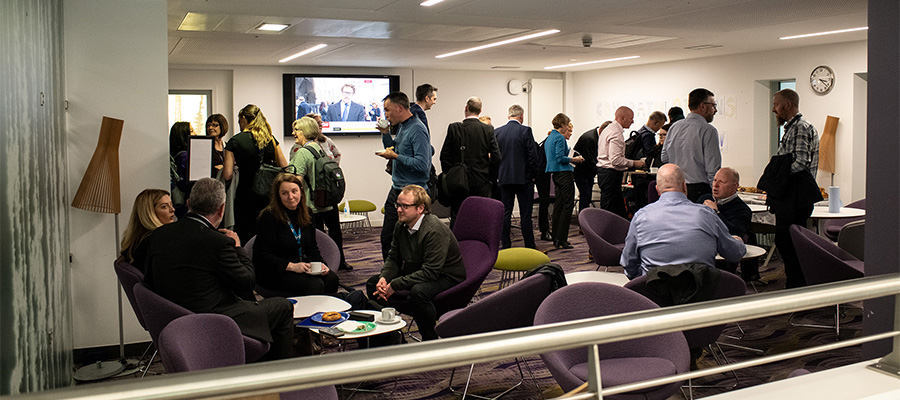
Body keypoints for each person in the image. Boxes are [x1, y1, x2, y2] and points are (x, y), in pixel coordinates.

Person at [144, 178, 294, 361]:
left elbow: (151, 279)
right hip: (214, 319)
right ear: (222, 209)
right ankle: (277, 374)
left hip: (175, 316)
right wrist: (238, 247)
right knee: (283, 306)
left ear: (189, 203)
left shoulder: (159, 234)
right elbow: (247, 280)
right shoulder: (218, 242)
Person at [366, 185, 465, 341]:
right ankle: (390, 337)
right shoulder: (401, 225)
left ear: (420, 208)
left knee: (418, 292)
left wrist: (395, 285)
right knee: (374, 284)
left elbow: (431, 272)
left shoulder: (434, 230)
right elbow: (394, 258)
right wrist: (384, 278)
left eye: (405, 206)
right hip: (418, 269)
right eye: (398, 204)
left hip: (446, 275)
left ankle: (430, 340)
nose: (399, 209)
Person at [620, 164, 745, 279]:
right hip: (701, 295)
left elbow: (628, 263)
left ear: (657, 190)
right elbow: (734, 254)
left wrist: (642, 281)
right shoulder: (707, 215)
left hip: (654, 294)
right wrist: (739, 242)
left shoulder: (641, 217)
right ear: (684, 186)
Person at [768, 88, 821, 288]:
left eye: (776, 104)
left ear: (788, 105)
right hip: (791, 196)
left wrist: (775, 175)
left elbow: (800, 162)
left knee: (789, 243)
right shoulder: (791, 127)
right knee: (785, 242)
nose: (774, 110)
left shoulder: (800, 127)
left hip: (795, 197)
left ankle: (797, 287)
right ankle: (795, 284)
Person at [254, 173, 339, 295]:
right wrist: (291, 266)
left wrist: (321, 264)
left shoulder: (307, 212)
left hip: (300, 266)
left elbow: (311, 246)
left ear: (301, 191)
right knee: (315, 284)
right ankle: (308, 314)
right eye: (284, 193)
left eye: (294, 191)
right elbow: (261, 255)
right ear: (278, 196)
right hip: (274, 270)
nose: (291, 196)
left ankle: (327, 314)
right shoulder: (269, 217)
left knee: (331, 279)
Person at [289, 116, 351, 271]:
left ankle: (321, 268)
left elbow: (295, 183)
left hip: (311, 205)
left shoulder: (302, 153)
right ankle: (336, 262)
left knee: (314, 241)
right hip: (327, 201)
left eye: (296, 130)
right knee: (332, 235)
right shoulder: (318, 147)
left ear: (305, 131)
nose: (293, 133)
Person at [375, 92, 432, 260]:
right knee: (388, 238)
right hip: (397, 190)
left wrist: (397, 157)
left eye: (387, 110)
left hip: (415, 194)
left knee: (412, 243)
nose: (385, 114)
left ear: (399, 108)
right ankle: (390, 275)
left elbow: (423, 166)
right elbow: (392, 149)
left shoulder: (417, 129)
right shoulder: (403, 126)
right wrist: (385, 133)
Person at [223, 104, 288, 243]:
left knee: (246, 233)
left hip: (245, 194)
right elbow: (284, 166)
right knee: (267, 231)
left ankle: (248, 262)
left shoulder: (235, 141)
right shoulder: (270, 139)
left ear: (244, 118)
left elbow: (227, 174)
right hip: (268, 194)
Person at [439, 96, 501, 227]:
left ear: (466, 108)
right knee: (480, 216)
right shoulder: (488, 130)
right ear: (480, 111)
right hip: (481, 181)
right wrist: (490, 177)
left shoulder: (454, 128)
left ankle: (456, 246)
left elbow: (444, 156)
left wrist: (451, 174)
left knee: (458, 216)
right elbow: (497, 157)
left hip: (458, 182)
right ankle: (479, 245)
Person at [661, 88, 722, 202]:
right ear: (702, 106)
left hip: (676, 188)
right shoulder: (708, 130)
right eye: (713, 105)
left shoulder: (674, 127)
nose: (715, 110)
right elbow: (712, 167)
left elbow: (664, 157)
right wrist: (715, 193)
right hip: (699, 191)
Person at [698, 167, 756, 281]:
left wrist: (716, 213)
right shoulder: (704, 199)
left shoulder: (742, 209)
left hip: (722, 254)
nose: (715, 185)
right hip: (700, 249)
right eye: (715, 180)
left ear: (735, 186)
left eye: (722, 182)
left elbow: (735, 232)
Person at [495, 105, 540, 249]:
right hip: (524, 179)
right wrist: (533, 175)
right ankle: (530, 246)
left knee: (506, 213)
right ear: (521, 116)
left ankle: (506, 246)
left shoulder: (497, 132)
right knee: (525, 215)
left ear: (508, 116)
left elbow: (495, 158)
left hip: (504, 178)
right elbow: (533, 156)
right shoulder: (525, 130)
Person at [597, 106, 645, 218]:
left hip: (605, 174)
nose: (632, 121)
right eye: (631, 118)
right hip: (610, 175)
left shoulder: (608, 130)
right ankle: (607, 234)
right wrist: (635, 163)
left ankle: (612, 233)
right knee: (610, 210)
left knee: (614, 209)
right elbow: (616, 160)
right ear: (622, 118)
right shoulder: (616, 133)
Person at [545, 114, 584, 249]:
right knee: (568, 206)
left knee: (559, 206)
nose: (568, 126)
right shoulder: (560, 138)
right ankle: (562, 239)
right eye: (567, 124)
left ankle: (556, 237)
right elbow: (561, 158)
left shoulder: (550, 137)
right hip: (564, 174)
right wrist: (575, 160)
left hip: (555, 174)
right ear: (562, 124)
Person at [119, 189, 175, 272]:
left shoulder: (137, 238)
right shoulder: (156, 240)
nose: (172, 209)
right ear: (149, 212)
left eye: (171, 204)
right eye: (164, 206)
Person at [631, 111, 666, 208]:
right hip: (644, 176)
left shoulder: (640, 132)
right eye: (660, 126)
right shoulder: (648, 136)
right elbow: (650, 154)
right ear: (656, 123)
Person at [573, 121, 610, 212]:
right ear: (602, 131)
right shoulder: (589, 138)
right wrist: (602, 169)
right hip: (581, 171)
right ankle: (583, 218)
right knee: (585, 195)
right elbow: (588, 159)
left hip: (587, 172)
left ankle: (584, 217)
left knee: (587, 195)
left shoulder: (595, 137)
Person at [169, 121, 193, 218]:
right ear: (184, 135)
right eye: (191, 131)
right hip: (185, 204)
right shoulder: (185, 157)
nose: (195, 134)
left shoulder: (174, 154)